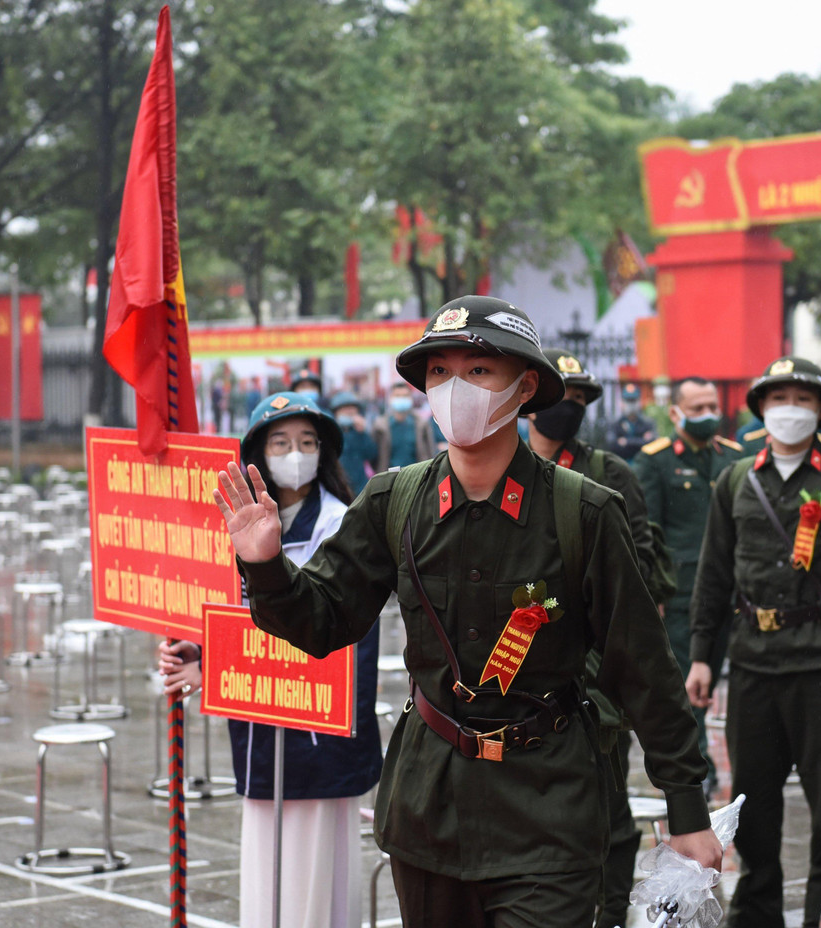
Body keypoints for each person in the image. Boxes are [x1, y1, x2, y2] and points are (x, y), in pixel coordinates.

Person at [214, 296, 721, 928]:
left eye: (478, 371)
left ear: (525, 385)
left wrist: (687, 809)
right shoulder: (393, 502)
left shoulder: (584, 511)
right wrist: (264, 564)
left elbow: (642, 665)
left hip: (550, 806)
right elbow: (322, 623)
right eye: (439, 373)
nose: (455, 389)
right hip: (432, 806)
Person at [160, 392, 383, 928]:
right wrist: (199, 649)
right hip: (260, 731)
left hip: (322, 737)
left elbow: (313, 632)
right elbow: (239, 619)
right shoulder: (237, 528)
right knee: (265, 874)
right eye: (281, 442)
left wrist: (215, 673)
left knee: (316, 884)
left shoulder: (338, 527)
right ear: (257, 454)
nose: (295, 453)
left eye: (307, 443)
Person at [687, 356, 821, 928]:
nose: (789, 409)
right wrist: (701, 656)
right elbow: (714, 574)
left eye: (802, 398)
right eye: (777, 398)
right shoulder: (736, 480)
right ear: (761, 409)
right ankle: (756, 912)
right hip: (752, 664)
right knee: (754, 804)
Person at [525, 348, 671, 928]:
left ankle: (608, 915)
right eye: (561, 398)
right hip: (511, 678)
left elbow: (644, 583)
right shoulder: (494, 470)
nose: (570, 409)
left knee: (607, 813)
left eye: (581, 401)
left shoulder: (610, 475)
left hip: (594, 678)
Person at [631, 376, 745, 789]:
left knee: (736, 683)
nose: (707, 415)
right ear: (675, 412)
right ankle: (697, 770)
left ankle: (741, 764)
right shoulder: (654, 461)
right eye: (696, 409)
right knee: (689, 685)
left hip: (736, 591)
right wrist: (654, 592)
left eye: (711, 406)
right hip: (683, 595)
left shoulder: (734, 455)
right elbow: (647, 532)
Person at [373, 381, 432, 470]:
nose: (401, 399)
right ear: (390, 399)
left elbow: (430, 451)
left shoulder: (421, 424)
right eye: (397, 396)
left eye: (405, 396)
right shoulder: (380, 426)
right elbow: (374, 456)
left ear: (411, 398)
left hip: (417, 477)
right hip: (390, 479)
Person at [329, 391, 378, 497]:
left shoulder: (359, 432)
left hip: (360, 487)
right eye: (345, 409)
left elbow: (372, 454)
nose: (349, 412)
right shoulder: (331, 433)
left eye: (352, 409)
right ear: (336, 412)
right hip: (339, 487)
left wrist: (363, 433)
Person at [606, 383, 657, 461]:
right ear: (622, 402)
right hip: (621, 463)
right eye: (628, 401)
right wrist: (641, 441)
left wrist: (626, 441)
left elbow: (653, 444)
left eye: (633, 401)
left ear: (639, 401)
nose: (631, 404)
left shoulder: (647, 423)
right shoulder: (615, 423)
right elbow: (612, 445)